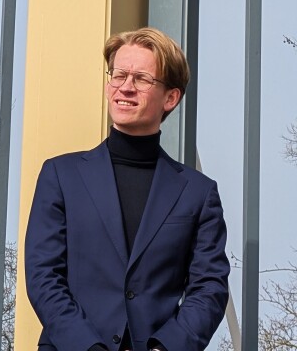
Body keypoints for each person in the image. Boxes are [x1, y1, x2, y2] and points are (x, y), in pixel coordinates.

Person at [24, 27, 229, 351]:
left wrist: (165, 348)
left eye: (142, 79)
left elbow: (210, 289)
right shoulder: (60, 175)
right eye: (118, 75)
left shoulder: (198, 194)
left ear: (171, 97)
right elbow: (43, 275)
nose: (125, 87)